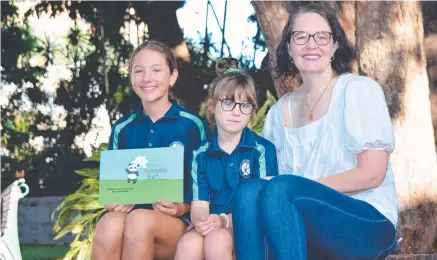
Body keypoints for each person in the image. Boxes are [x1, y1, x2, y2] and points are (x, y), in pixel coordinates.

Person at [232, 4, 399, 260]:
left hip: (366, 223)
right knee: (248, 192)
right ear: (289, 47)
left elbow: (372, 175)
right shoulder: (279, 112)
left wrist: (297, 189)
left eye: (321, 36)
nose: (312, 45)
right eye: (300, 36)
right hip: (303, 223)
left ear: (334, 46)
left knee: (281, 188)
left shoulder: (357, 90)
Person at [91, 40, 211, 260]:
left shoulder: (193, 125)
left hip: (178, 226)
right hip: (132, 219)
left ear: (172, 76)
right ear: (131, 77)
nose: (147, 78)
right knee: (109, 223)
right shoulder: (122, 128)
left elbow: (207, 184)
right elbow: (113, 187)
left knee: (140, 220)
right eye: (139, 71)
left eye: (156, 70)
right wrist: (114, 201)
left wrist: (182, 207)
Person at [174, 58, 278, 260]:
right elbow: (200, 205)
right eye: (228, 102)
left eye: (245, 105)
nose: (236, 111)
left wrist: (224, 221)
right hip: (214, 222)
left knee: (217, 240)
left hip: (250, 225)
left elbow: (262, 205)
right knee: (189, 244)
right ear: (212, 106)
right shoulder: (200, 154)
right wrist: (203, 222)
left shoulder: (262, 150)